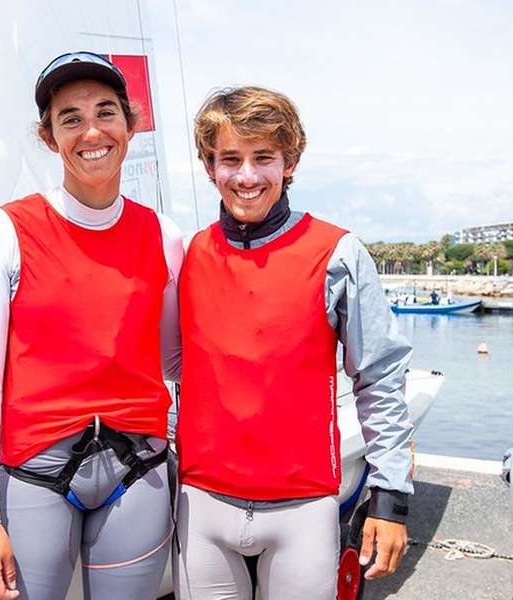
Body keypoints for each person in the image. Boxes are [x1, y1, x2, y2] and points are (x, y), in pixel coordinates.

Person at [0, 52, 183, 600]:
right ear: (48, 135)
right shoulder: (3, 231)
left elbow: (175, 363)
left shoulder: (164, 235)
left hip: (139, 470)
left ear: (130, 125)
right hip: (36, 475)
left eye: (107, 112)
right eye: (70, 118)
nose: (92, 132)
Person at [174, 86, 414, 600]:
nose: (246, 176)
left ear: (290, 163)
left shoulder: (337, 253)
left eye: (264, 158)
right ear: (209, 166)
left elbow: (379, 379)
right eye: (230, 159)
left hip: (303, 507)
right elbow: (171, 365)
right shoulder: (190, 255)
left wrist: (390, 496)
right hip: (202, 505)